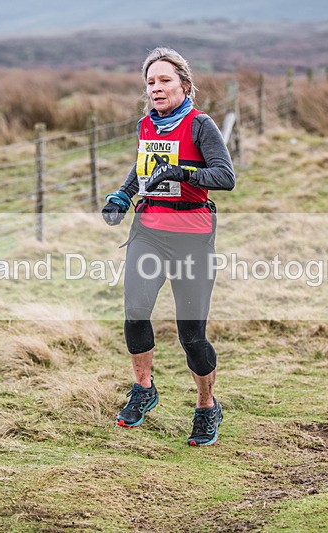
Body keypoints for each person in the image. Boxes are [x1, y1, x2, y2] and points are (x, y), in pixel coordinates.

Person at [101, 47, 235, 446]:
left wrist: (183, 172)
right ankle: (143, 388)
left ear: (185, 85)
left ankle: (207, 406)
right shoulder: (146, 125)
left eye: (164, 80)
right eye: (150, 82)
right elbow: (144, 169)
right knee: (135, 312)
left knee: (191, 335)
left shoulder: (200, 125)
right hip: (148, 231)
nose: (156, 88)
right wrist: (123, 196)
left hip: (192, 236)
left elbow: (225, 177)